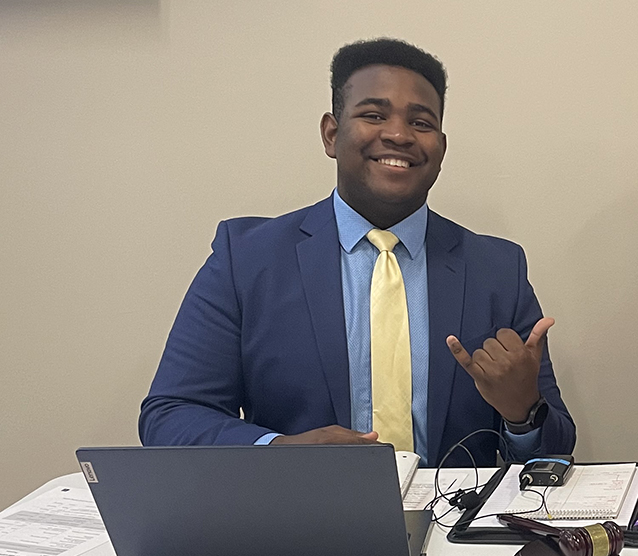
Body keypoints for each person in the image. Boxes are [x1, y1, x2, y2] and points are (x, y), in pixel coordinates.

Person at [140, 38, 574, 465]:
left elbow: (554, 448)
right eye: (373, 114)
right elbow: (171, 416)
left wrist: (523, 414)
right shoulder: (247, 259)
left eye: (421, 123)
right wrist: (279, 451)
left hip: (452, 529)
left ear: (441, 148)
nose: (399, 135)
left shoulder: (497, 269)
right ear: (332, 134)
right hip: (301, 523)